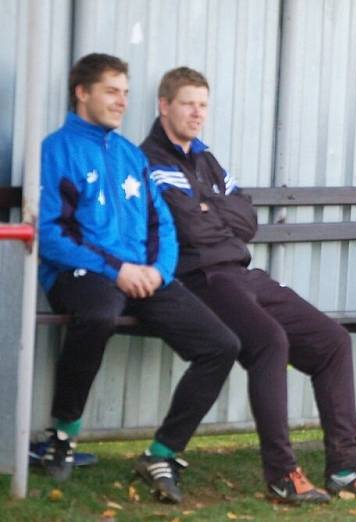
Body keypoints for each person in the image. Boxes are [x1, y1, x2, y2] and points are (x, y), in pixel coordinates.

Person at [140, 67, 356, 504]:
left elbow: (248, 220)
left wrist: (209, 208)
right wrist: (215, 213)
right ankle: (282, 473)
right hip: (199, 277)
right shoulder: (151, 161)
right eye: (188, 103)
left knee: (332, 341)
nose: (197, 113)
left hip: (242, 274)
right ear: (165, 105)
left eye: (203, 104)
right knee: (269, 342)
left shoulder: (206, 158)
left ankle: (344, 469)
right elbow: (189, 229)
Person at [37, 54, 241, 504]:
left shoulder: (130, 154)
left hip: (144, 275)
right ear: (82, 93)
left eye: (126, 93)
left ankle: (162, 451)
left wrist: (157, 271)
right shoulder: (57, 148)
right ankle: (64, 433)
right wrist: (118, 270)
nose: (122, 101)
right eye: (111, 91)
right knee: (100, 312)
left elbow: (161, 224)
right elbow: (51, 233)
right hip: (83, 273)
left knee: (221, 344)